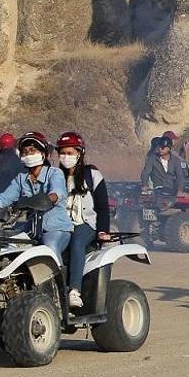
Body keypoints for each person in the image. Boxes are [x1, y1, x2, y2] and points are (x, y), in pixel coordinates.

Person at [0, 132, 72, 255]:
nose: (28, 155)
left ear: (43, 154)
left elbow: (56, 193)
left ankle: (57, 274)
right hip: (30, 229)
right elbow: (4, 198)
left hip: (55, 228)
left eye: (32, 150)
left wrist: (45, 199)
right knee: (7, 250)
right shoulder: (21, 178)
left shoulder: (54, 173)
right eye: (24, 152)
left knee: (49, 250)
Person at [56, 132, 110, 310]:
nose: (65, 157)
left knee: (77, 243)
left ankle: (74, 291)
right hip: (62, 224)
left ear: (79, 153)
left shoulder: (92, 174)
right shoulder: (55, 176)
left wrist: (103, 231)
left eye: (69, 153)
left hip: (85, 224)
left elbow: (102, 206)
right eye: (62, 153)